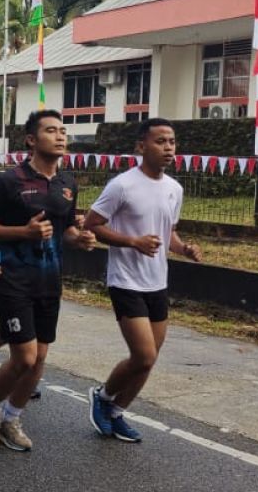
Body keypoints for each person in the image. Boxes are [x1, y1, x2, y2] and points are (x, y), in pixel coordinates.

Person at [0, 110, 96, 452]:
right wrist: (22, 232)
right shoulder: (9, 181)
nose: (60, 137)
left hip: (49, 279)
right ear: (31, 140)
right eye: (51, 131)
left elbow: (67, 229)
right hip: (11, 276)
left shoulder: (68, 183)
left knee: (40, 357)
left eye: (63, 131)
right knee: (24, 357)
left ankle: (12, 417)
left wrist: (79, 238)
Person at [82, 118, 202, 443]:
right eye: (160, 141)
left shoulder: (174, 189)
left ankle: (117, 412)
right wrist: (132, 242)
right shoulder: (122, 185)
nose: (168, 148)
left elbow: (169, 233)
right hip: (125, 281)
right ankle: (103, 396)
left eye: (172, 142)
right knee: (144, 355)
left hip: (156, 282)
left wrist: (183, 248)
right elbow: (92, 224)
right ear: (141, 147)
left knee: (149, 359)